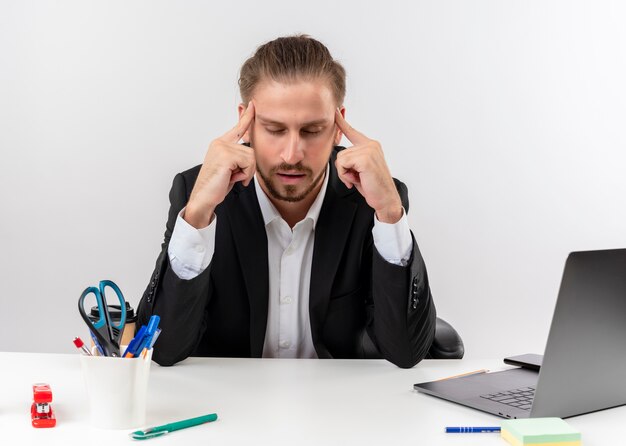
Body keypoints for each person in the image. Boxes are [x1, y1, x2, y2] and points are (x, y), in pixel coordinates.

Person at [137, 35, 436, 368]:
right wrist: (197, 216)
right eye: (275, 129)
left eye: (312, 130)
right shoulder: (195, 192)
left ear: (338, 128)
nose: (292, 154)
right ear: (245, 124)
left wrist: (390, 215)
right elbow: (160, 350)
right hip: (230, 408)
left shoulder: (374, 198)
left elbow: (407, 353)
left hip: (342, 410)